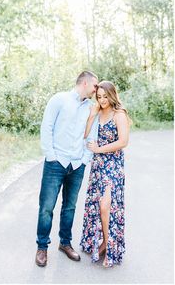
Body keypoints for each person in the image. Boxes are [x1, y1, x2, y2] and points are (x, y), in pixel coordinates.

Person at [35, 71, 99, 267]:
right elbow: (47, 127)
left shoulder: (91, 108)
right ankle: (42, 247)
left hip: (77, 165)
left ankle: (65, 243)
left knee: (69, 207)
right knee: (46, 207)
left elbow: (92, 136)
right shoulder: (59, 99)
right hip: (56, 163)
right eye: (95, 86)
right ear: (86, 83)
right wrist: (51, 156)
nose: (96, 90)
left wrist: (85, 159)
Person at [80, 80, 130, 268]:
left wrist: (99, 149)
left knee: (106, 205)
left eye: (105, 96)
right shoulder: (98, 111)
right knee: (97, 205)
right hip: (98, 166)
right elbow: (85, 135)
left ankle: (108, 245)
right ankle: (101, 243)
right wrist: (91, 116)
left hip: (113, 165)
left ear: (112, 95)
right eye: (98, 97)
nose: (102, 100)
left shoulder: (119, 114)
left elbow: (123, 142)